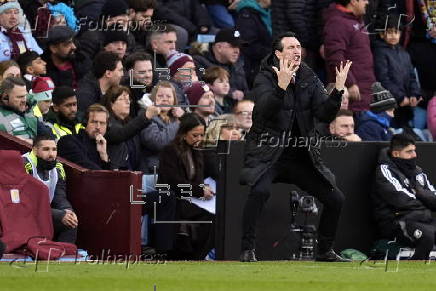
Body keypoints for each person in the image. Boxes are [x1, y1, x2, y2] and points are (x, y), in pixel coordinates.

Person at [239, 31, 352, 262]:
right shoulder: (264, 77)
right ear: (278, 53)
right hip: (269, 152)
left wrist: (337, 92)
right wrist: (280, 88)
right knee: (259, 192)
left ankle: (324, 251)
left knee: (336, 199)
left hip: (301, 155)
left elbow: (323, 114)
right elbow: (263, 110)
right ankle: (247, 249)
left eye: (299, 46)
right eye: (290, 47)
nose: (297, 51)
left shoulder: (308, 77)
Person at [157, 112, 215, 260]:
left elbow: (207, 175)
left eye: (202, 135)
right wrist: (199, 191)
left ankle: (197, 258)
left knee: (215, 219)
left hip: (190, 201)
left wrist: (203, 190)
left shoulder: (198, 152)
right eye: (195, 135)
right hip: (172, 201)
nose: (199, 139)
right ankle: (193, 258)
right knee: (209, 219)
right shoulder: (169, 151)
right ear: (183, 134)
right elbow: (173, 182)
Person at [372, 134, 436, 260]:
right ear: (396, 154)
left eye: (414, 150)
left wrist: (421, 194)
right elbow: (401, 198)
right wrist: (423, 200)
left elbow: (433, 195)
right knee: (427, 237)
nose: (414, 155)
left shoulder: (418, 171)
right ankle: (415, 267)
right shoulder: (384, 170)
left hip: (422, 218)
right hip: (397, 220)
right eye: (409, 152)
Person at [22, 134, 78, 243]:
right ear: (35, 150)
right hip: (23, 214)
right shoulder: (23, 165)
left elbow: (59, 196)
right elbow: (26, 203)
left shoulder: (58, 168)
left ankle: (63, 256)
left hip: (44, 213)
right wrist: (59, 215)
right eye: (46, 149)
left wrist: (68, 211)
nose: (51, 154)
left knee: (71, 222)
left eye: (54, 149)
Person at [323, 0, 376, 112]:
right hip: (352, 94)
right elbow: (335, 56)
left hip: (365, 92)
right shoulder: (337, 22)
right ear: (353, 2)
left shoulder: (358, 21)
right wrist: (349, 83)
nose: (367, 2)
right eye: (364, 0)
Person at [373, 14, 422, 129]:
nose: (393, 36)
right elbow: (383, 79)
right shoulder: (380, 52)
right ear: (381, 34)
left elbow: (412, 77)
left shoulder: (404, 53)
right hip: (390, 104)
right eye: (389, 32)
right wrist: (400, 97)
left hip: (405, 105)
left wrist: (414, 94)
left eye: (396, 32)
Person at [101, 85, 160, 171]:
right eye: (122, 99)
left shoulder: (129, 122)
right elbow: (121, 134)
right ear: (111, 104)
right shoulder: (106, 122)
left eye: (128, 99)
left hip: (135, 173)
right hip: (118, 174)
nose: (128, 102)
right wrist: (146, 116)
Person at [58, 104, 123, 170]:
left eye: (102, 123)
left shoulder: (107, 148)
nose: (98, 127)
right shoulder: (69, 141)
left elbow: (113, 177)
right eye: (94, 122)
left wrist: (103, 155)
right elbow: (90, 170)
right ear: (85, 123)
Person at [192, 28, 249, 99]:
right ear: (219, 47)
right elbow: (202, 86)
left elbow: (246, 92)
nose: (237, 51)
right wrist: (230, 93)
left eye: (239, 47)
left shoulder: (237, 65)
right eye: (233, 46)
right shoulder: (199, 62)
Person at [139, 81, 181, 173]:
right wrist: (179, 123)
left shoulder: (177, 117)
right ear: (153, 98)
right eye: (160, 96)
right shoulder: (146, 116)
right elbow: (157, 142)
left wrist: (185, 118)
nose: (165, 99)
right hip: (154, 171)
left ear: (174, 100)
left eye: (169, 96)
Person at [0, 76, 37, 143]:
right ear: (5, 97)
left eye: (25, 96)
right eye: (19, 97)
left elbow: (45, 133)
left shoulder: (30, 108)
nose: (24, 100)